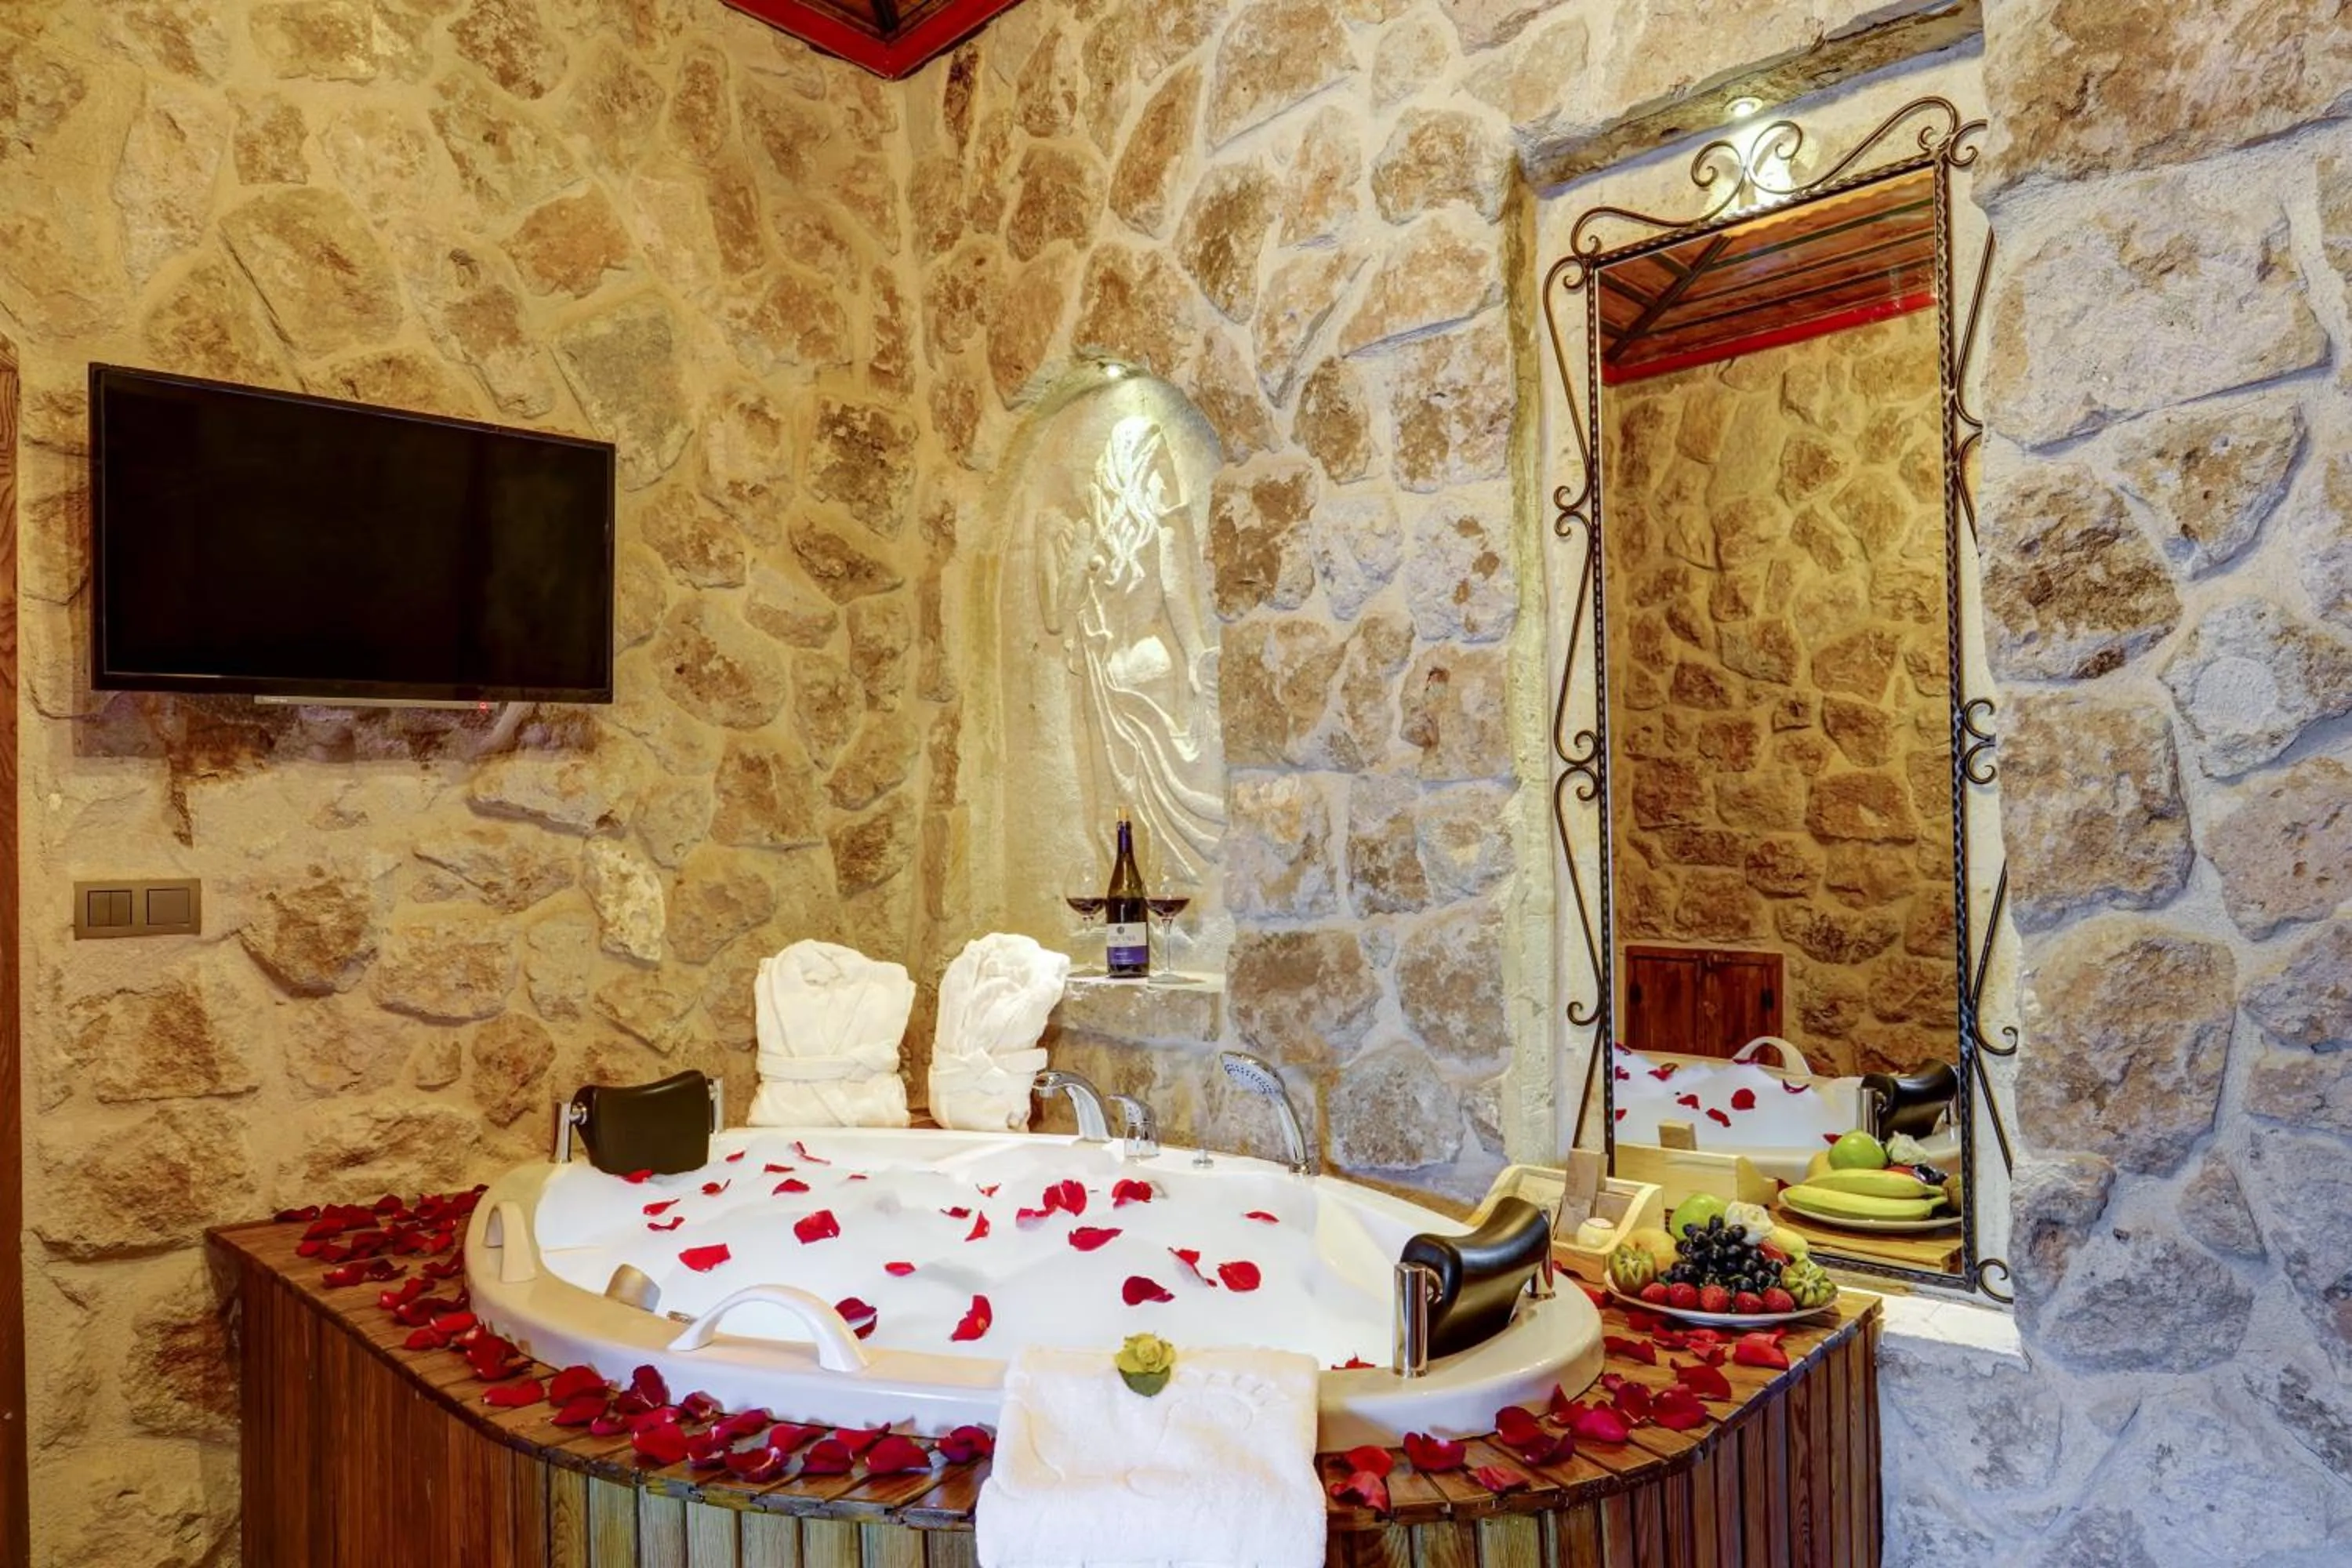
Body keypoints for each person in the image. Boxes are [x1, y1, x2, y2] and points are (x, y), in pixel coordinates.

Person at [1037, 413, 1224, 882]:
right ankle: (1160, 901)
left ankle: (1133, 907)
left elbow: (1056, 614)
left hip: (1108, 673)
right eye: (1159, 457)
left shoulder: (1089, 537)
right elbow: (1179, 601)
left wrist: (1046, 544)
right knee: (1151, 797)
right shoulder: (1161, 525)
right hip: (1146, 667)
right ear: (1145, 463)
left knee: (1112, 803)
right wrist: (1200, 658)